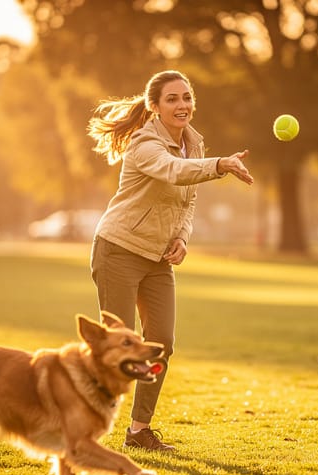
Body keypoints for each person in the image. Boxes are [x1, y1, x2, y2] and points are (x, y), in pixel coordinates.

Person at [86, 70, 254, 451]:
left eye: (186, 97)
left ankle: (138, 431)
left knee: (160, 342)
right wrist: (220, 165)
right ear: (155, 107)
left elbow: (187, 203)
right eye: (173, 99)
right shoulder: (145, 143)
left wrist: (181, 237)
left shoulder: (193, 145)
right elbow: (174, 174)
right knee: (116, 346)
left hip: (158, 259)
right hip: (118, 249)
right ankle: (83, 418)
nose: (182, 105)